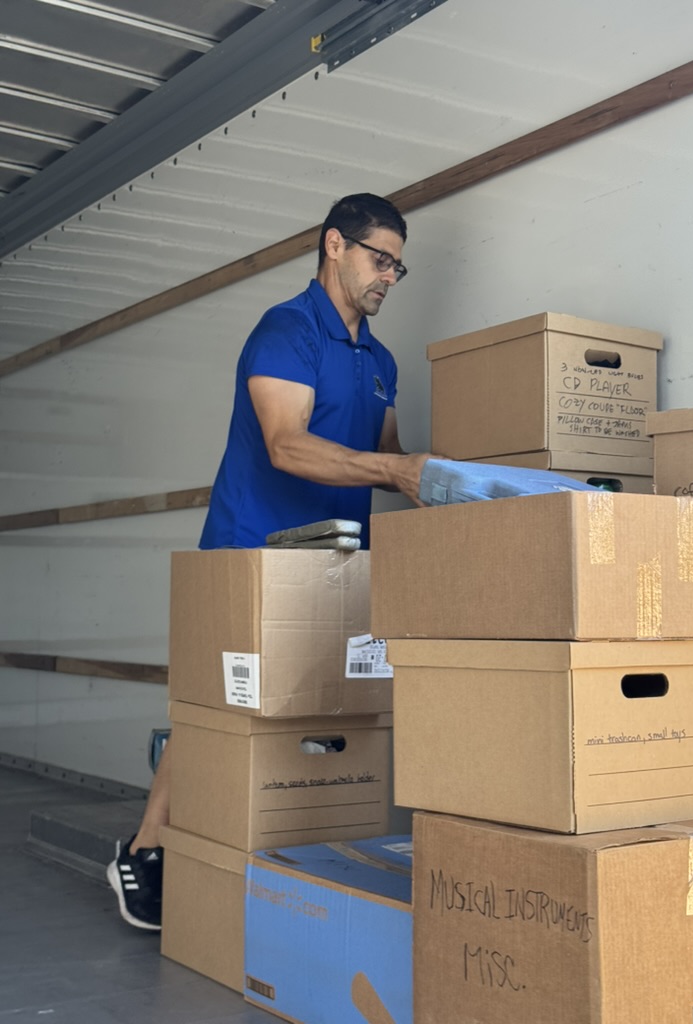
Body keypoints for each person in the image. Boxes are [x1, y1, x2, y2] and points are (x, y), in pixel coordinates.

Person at [107, 192, 435, 930]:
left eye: (398, 266)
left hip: (335, 565)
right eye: (380, 259)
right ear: (334, 245)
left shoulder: (380, 361)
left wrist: (452, 488)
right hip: (254, 551)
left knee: (314, 709)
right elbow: (286, 444)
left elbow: (388, 455)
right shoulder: (287, 331)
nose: (389, 276)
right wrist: (397, 470)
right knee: (218, 708)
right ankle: (147, 848)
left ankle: (272, 856)